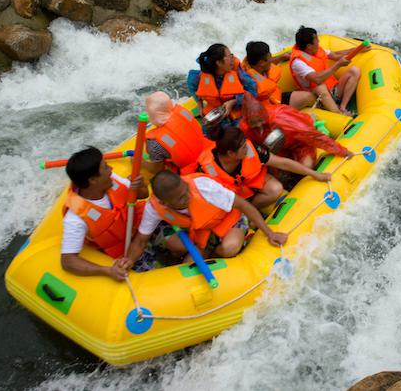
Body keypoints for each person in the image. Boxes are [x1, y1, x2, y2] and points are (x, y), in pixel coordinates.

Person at [126, 170, 288, 261]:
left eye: (186, 190)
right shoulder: (154, 207)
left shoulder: (204, 187)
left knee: (229, 248)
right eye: (181, 198)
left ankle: (235, 242)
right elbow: (141, 240)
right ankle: (208, 253)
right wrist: (128, 261)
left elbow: (243, 205)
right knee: (188, 264)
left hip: (228, 220)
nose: (188, 196)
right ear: (164, 203)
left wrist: (269, 233)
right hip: (201, 233)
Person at [61, 147, 149, 280]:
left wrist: (141, 185)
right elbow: (68, 261)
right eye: (106, 167)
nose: (111, 169)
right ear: (93, 180)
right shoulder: (75, 219)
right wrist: (106, 271)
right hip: (123, 253)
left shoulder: (111, 179)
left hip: (142, 231)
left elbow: (143, 195)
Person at [198, 127, 331, 208]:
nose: (247, 148)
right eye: (243, 147)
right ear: (231, 154)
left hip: (251, 182)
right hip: (231, 197)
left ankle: (252, 208)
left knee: (276, 189)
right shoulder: (206, 170)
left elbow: (283, 163)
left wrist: (314, 174)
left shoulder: (251, 149)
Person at [240, 93, 352, 168]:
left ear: (264, 115)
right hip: (277, 150)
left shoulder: (281, 118)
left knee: (307, 166)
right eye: (253, 123)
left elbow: (312, 136)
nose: (258, 125)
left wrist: (341, 151)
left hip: (299, 143)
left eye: (260, 120)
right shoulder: (245, 128)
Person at [290, 26, 368, 116]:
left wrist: (357, 50)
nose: (318, 41)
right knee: (320, 86)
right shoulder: (298, 62)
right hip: (317, 97)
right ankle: (339, 114)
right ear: (309, 46)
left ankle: (342, 107)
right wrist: (338, 64)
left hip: (333, 89)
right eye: (316, 40)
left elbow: (335, 55)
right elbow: (317, 79)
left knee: (354, 71)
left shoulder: (316, 50)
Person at [187, 44, 255, 130]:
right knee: (208, 131)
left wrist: (234, 101)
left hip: (237, 111)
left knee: (239, 131)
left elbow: (253, 91)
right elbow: (192, 86)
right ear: (219, 63)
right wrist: (200, 105)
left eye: (232, 55)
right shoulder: (200, 76)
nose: (232, 59)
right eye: (229, 56)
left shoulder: (238, 72)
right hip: (215, 113)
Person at [144, 91, 212, 175]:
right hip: (209, 153)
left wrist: (141, 162)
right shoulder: (182, 113)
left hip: (195, 170)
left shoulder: (154, 143)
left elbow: (157, 170)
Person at [242, 41, 313, 110]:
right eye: (270, 56)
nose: (271, 59)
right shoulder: (249, 82)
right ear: (261, 62)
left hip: (276, 98)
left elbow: (269, 62)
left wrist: (281, 57)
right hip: (266, 109)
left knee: (309, 97)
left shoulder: (258, 66)